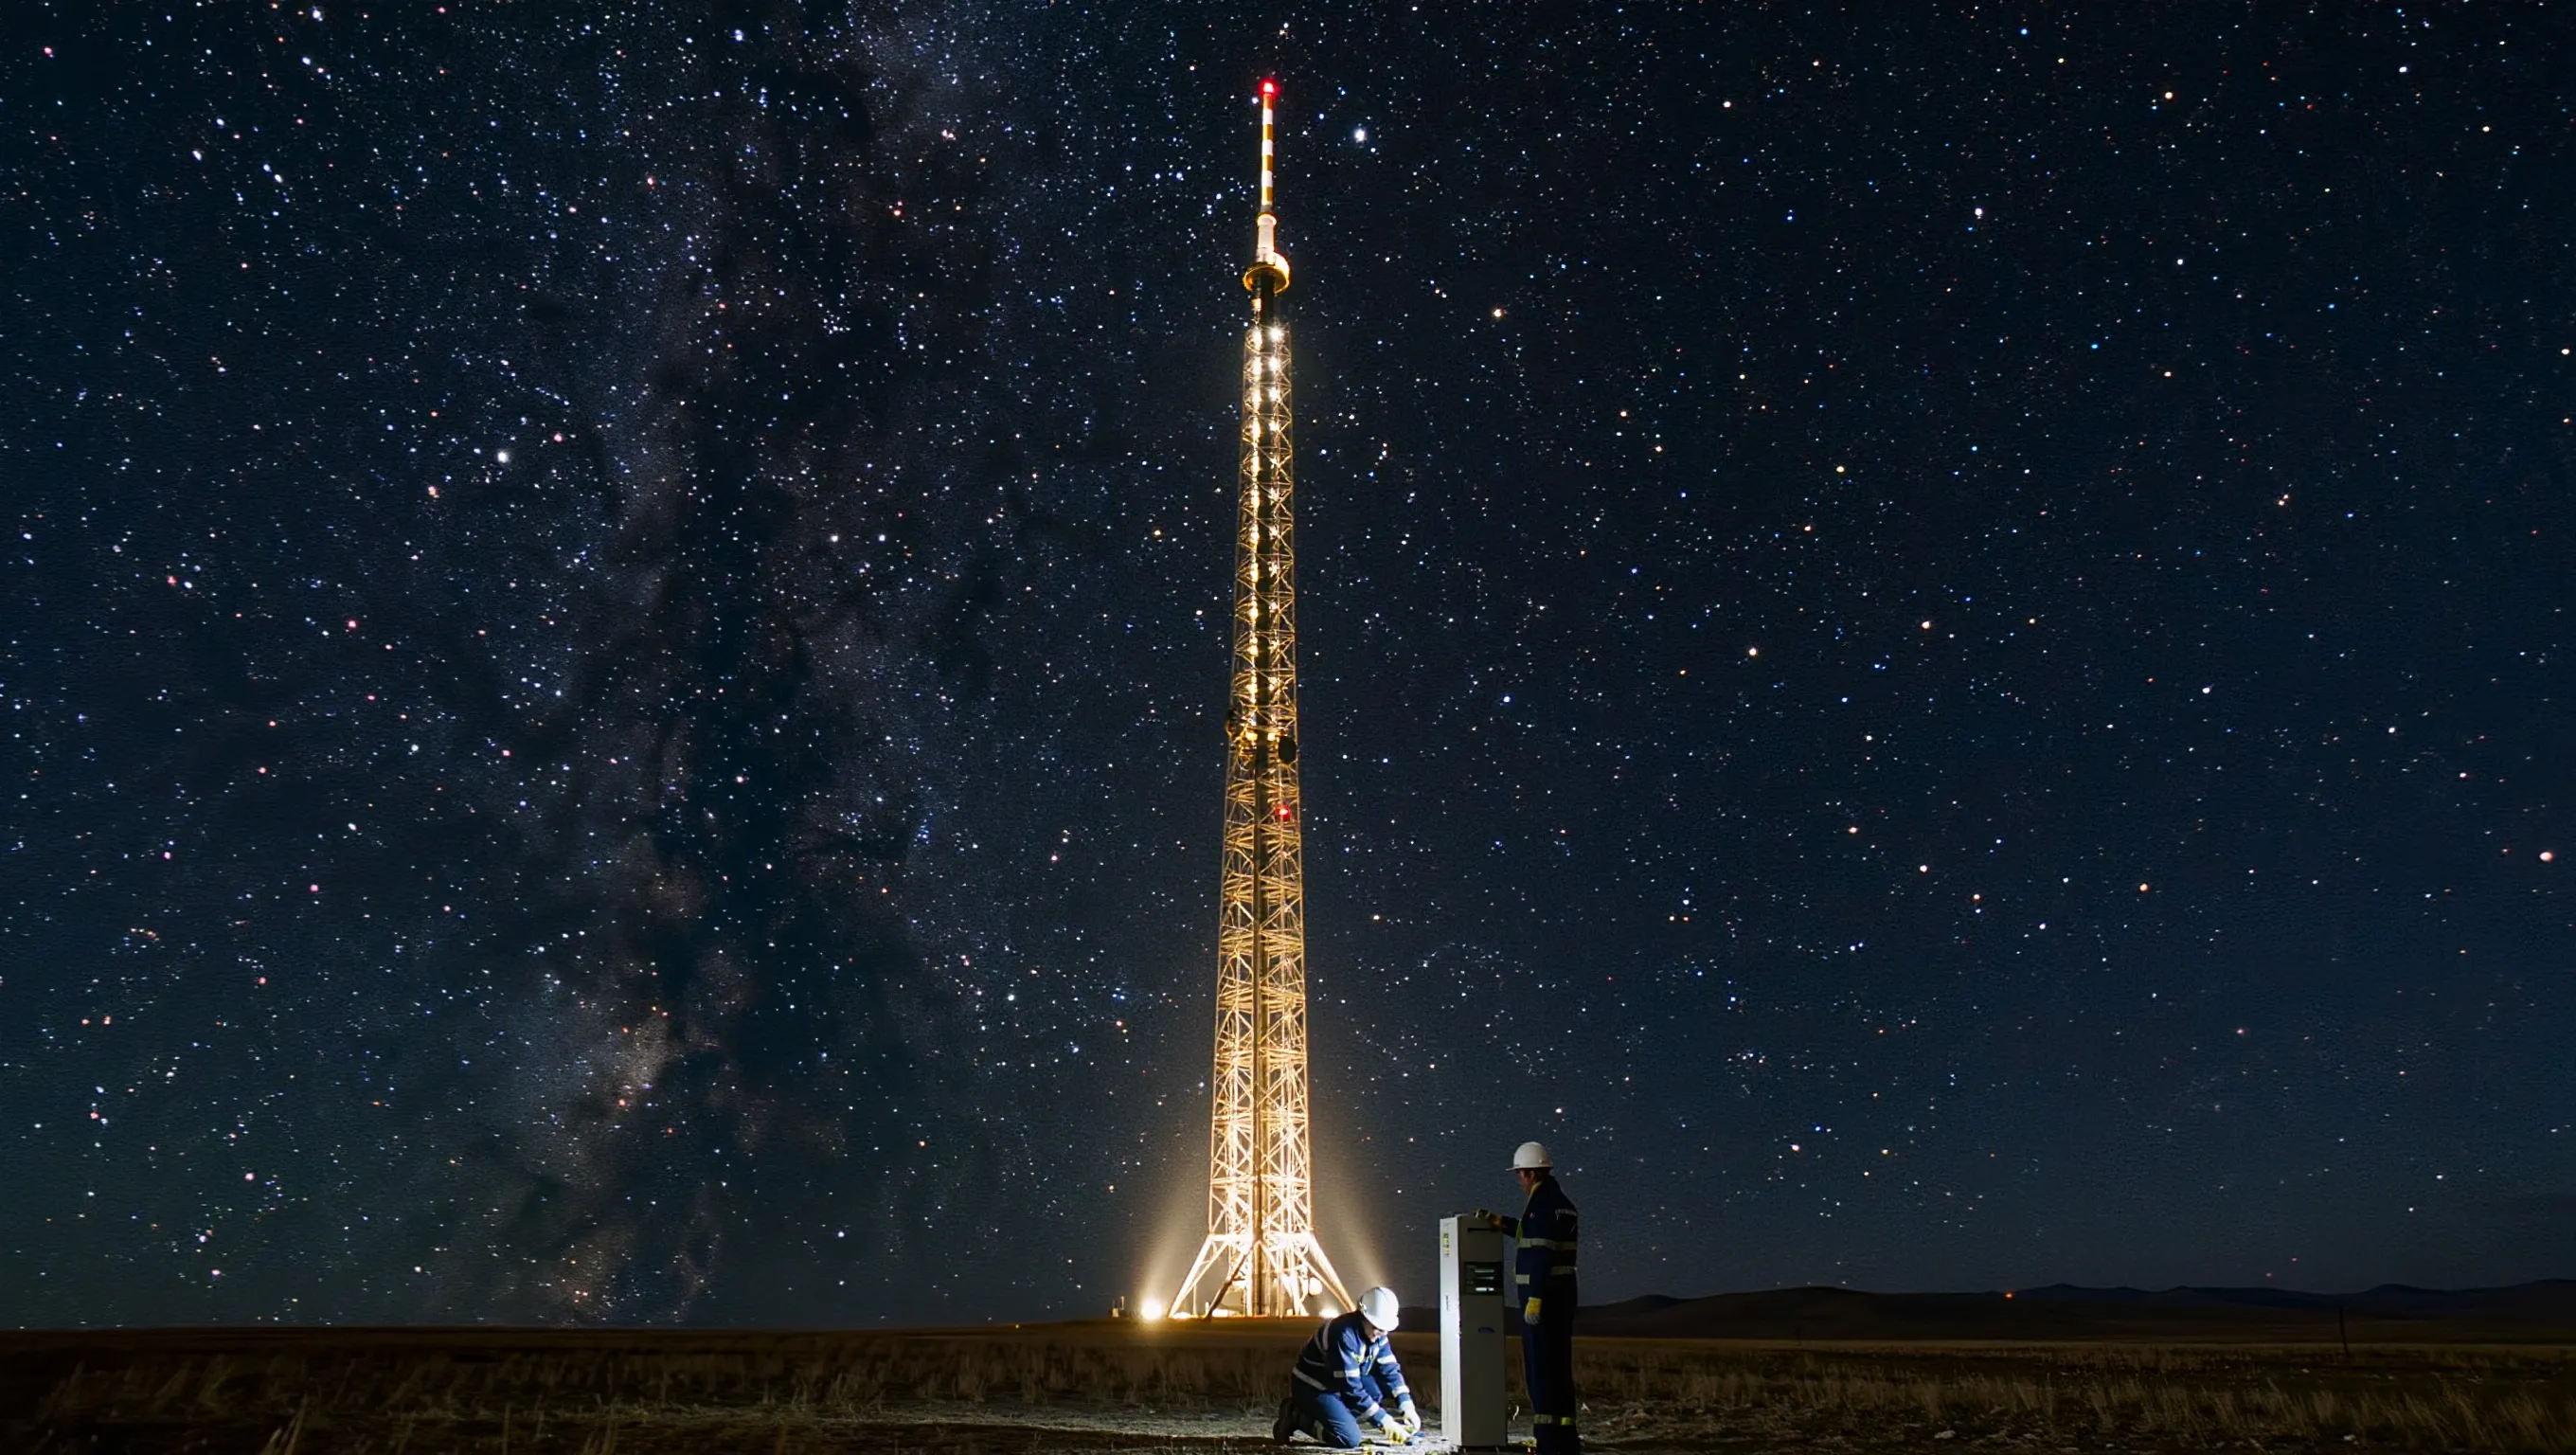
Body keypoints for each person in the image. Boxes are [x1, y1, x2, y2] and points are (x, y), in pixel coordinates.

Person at [1476, 1141, 1581, 1455]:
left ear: (1531, 1173)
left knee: (1541, 1372)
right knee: (1560, 1370)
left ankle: (1548, 1442)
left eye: (1520, 1174)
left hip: (1543, 1303)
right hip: (1563, 1299)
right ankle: (1565, 1439)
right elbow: (1531, 1233)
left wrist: (1534, 1298)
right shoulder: (1561, 1203)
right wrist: (1502, 1223)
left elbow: (1539, 1253)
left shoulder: (1541, 1205)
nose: (1519, 1181)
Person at [1272, 1284, 1422, 1446]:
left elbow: (1390, 1370)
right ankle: (1297, 1417)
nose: (1381, 1333)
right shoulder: (1343, 1334)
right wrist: (1383, 1420)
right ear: (1363, 1316)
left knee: (1374, 1392)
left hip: (1336, 1384)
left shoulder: (1377, 1334)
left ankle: (1338, 1419)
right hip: (1313, 1387)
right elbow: (1351, 1388)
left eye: (1385, 1329)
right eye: (1377, 1327)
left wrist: (1406, 1405)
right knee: (1349, 1439)